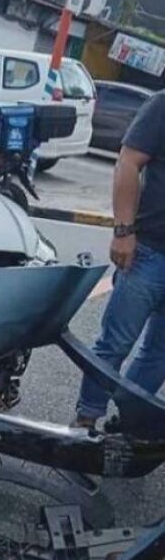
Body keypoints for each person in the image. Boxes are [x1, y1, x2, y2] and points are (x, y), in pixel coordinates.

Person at [74, 90, 165, 430]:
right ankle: (85, 421)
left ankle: (127, 425)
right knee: (115, 344)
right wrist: (124, 231)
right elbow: (128, 161)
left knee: (158, 355)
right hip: (150, 252)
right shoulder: (162, 105)